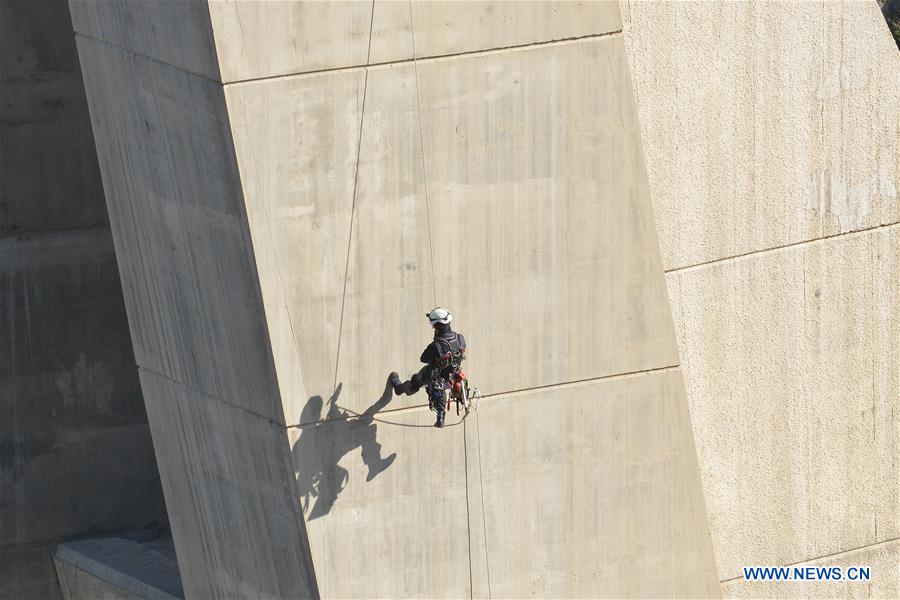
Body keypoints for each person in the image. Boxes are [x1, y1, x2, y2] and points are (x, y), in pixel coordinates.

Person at [389, 307, 467, 428]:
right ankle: (441, 416)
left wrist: (437, 353)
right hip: (453, 374)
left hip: (435, 375)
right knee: (439, 387)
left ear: (438, 326)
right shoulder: (460, 338)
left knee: (416, 381)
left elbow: (423, 359)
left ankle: (399, 388)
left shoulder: (436, 345)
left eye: (433, 326)